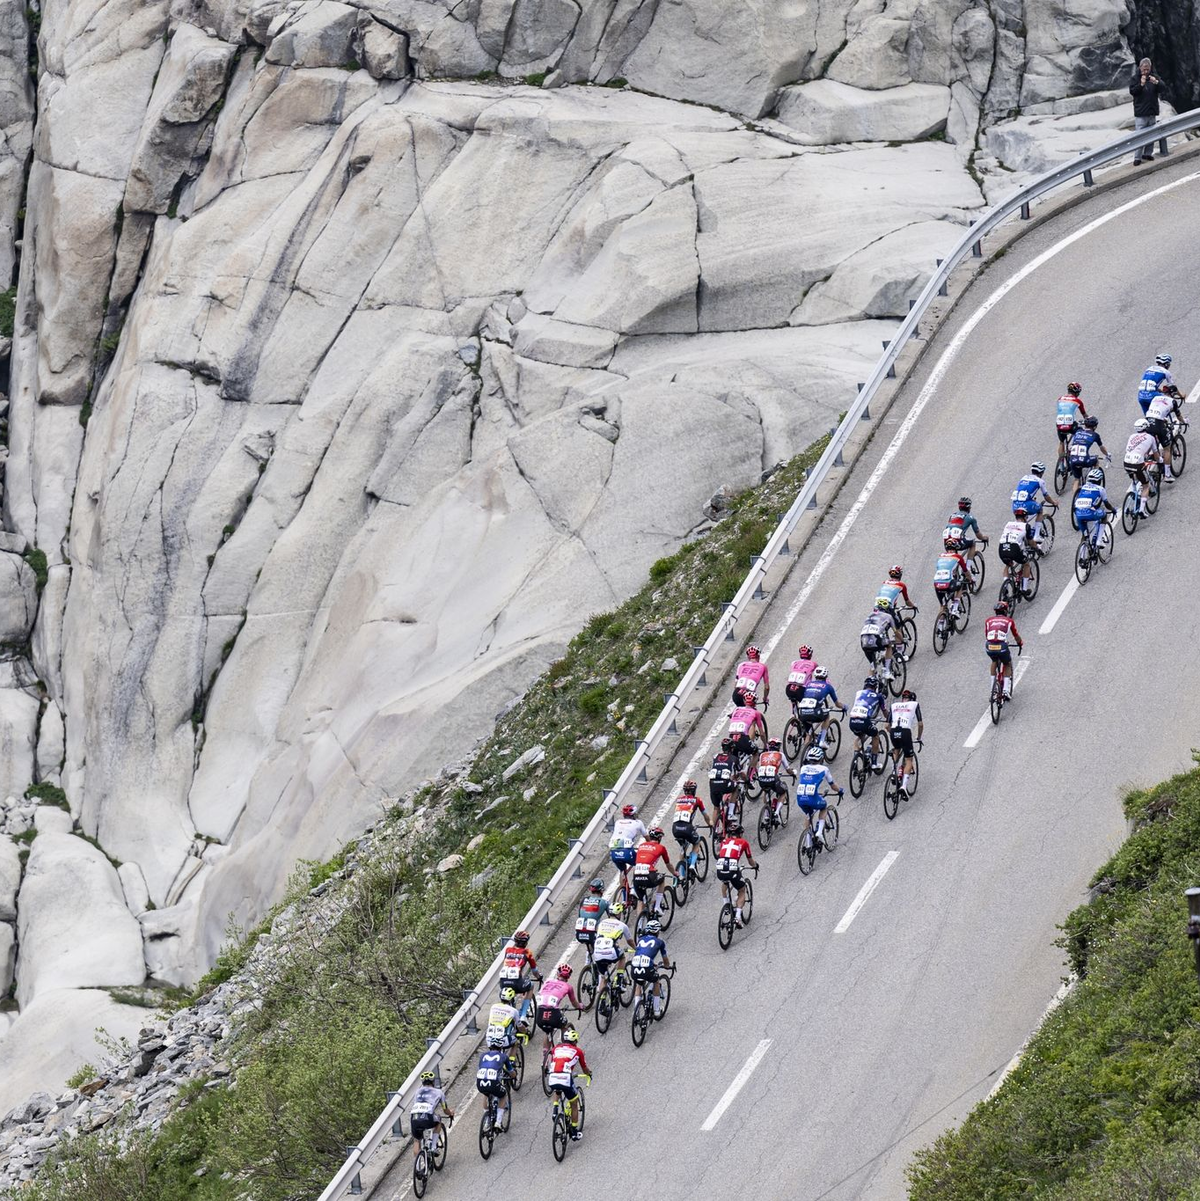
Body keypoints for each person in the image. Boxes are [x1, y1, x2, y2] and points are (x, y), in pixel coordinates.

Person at [545, 1027, 591, 1140]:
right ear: (574, 1041)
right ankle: (574, 1132)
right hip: (565, 1077)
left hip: (552, 1076)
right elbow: (584, 1068)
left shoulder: (556, 1048)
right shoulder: (578, 1051)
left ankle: (555, 1110)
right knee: (574, 1103)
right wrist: (589, 1074)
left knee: (557, 1089)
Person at [795, 745, 843, 851]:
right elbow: (833, 786)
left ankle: (808, 843)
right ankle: (820, 832)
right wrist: (840, 791)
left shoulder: (803, 768)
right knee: (823, 806)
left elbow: (807, 781)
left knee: (808, 815)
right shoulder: (824, 769)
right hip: (812, 797)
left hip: (800, 798)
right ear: (821, 759)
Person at [715, 821, 758, 928]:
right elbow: (750, 861)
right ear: (740, 833)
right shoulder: (744, 842)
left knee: (725, 882)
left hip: (720, 869)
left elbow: (721, 853)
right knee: (742, 890)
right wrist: (755, 865)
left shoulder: (724, 842)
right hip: (732, 869)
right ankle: (738, 917)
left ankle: (726, 905)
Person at [630, 916, 674, 1018]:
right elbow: (665, 959)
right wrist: (667, 966)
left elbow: (642, 953)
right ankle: (656, 1010)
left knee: (638, 985)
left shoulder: (640, 939)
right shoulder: (660, 942)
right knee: (656, 982)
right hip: (647, 966)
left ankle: (636, 1012)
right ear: (657, 931)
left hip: (635, 964)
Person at [535, 963, 582, 1057]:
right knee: (564, 1025)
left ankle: (545, 1056)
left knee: (548, 1031)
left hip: (540, 1014)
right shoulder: (568, 987)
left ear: (557, 973)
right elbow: (574, 1003)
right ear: (568, 977)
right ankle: (566, 1047)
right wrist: (580, 1006)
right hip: (553, 1013)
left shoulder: (547, 981)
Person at [410, 1070, 455, 1162]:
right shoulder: (439, 1092)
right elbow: (445, 1109)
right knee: (438, 1122)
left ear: (422, 1083)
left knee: (417, 1140)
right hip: (427, 1116)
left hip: (414, 1116)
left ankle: (417, 1165)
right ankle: (433, 1146)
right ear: (433, 1082)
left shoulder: (417, 1092)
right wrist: (450, 1113)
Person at [498, 930, 542, 1022]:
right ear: (526, 943)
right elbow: (534, 970)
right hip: (517, 982)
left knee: (510, 993)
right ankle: (523, 1015)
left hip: (503, 982)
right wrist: (538, 977)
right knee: (530, 986)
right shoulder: (527, 952)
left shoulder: (507, 950)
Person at [797, 666, 845, 748]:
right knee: (827, 716)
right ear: (826, 676)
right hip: (814, 712)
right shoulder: (828, 686)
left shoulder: (809, 684)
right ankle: (822, 740)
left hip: (802, 712)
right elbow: (837, 704)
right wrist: (844, 707)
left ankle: (805, 752)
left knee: (809, 733)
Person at [1124, 417, 1163, 517]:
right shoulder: (1151, 438)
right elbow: (1156, 454)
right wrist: (1160, 460)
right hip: (1138, 463)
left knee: (1135, 478)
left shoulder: (1132, 436)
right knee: (1146, 486)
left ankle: (1133, 494)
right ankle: (1141, 510)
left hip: (1127, 461)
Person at [848, 675, 888, 774]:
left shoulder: (858, 693)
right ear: (876, 687)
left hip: (852, 721)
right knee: (875, 735)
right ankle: (874, 763)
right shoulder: (879, 696)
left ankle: (855, 761)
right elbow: (884, 711)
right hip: (864, 721)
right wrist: (889, 719)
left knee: (858, 739)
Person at [1146, 380, 1185, 481]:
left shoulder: (1155, 397)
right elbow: (1179, 416)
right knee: (1167, 448)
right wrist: (1184, 421)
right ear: (1173, 394)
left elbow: (1157, 410)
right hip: (1158, 423)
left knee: (1150, 443)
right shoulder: (1173, 401)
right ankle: (1167, 475)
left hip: (1148, 421)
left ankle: (1149, 457)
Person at [984, 601, 1024, 698]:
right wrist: (1020, 643)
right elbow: (1016, 635)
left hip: (989, 645)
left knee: (994, 661)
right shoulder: (1009, 621)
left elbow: (987, 635)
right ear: (1005, 611)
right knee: (1007, 664)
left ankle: (993, 689)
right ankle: (1006, 690)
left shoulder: (988, 620)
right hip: (1002, 646)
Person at [632, 827, 673, 918]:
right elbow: (668, 864)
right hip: (649, 876)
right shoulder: (661, 848)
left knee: (641, 900)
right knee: (662, 879)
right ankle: (657, 907)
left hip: (636, 877)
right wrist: (675, 873)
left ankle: (640, 923)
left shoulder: (641, 845)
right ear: (659, 838)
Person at [1011, 462, 1057, 545]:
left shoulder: (1024, 477)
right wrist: (1054, 502)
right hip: (1026, 504)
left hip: (1015, 505)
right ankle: (1036, 536)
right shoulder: (1040, 481)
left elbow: (1024, 490)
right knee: (1040, 510)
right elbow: (1046, 496)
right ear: (1041, 472)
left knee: (1022, 519)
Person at [998, 507, 1039, 598]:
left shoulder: (1008, 524)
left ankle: (1005, 586)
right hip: (1014, 549)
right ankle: (1024, 589)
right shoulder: (1026, 526)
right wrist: (1037, 548)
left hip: (1002, 548)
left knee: (1008, 565)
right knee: (1026, 564)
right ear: (1025, 517)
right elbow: (1030, 542)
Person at [889, 689, 923, 796]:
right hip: (905, 732)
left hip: (893, 731)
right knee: (909, 760)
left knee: (896, 750)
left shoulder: (894, 705)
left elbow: (886, 725)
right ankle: (903, 787)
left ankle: (894, 772)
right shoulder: (914, 704)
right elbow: (920, 724)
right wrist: (919, 738)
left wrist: (895, 735)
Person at [1130, 59, 1165, 164]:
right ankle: (1137, 158)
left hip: (1152, 111)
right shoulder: (1135, 78)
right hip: (1141, 113)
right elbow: (1132, 91)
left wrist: (1156, 82)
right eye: (1144, 69)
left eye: (1147, 69)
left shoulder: (1153, 77)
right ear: (1140, 68)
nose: (1145, 71)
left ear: (1150, 68)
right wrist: (1141, 84)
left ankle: (1148, 154)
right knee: (1139, 136)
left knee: (1151, 134)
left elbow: (1163, 88)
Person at [755, 736, 796, 826]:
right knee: (783, 792)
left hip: (762, 779)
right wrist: (793, 774)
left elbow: (762, 767)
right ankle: (776, 813)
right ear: (778, 746)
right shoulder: (780, 755)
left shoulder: (762, 755)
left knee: (766, 792)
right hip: (773, 778)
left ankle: (766, 815)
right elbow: (788, 770)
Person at [1073, 467, 1117, 550]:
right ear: (1099, 480)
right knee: (1104, 516)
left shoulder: (1083, 487)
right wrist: (1113, 510)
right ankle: (1099, 541)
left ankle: (1082, 554)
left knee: (1085, 536)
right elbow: (1107, 504)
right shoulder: (1101, 489)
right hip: (1090, 513)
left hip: (1078, 513)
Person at [671, 780, 708, 875]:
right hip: (687, 828)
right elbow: (705, 816)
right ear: (694, 790)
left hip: (675, 828)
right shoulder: (697, 800)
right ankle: (692, 865)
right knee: (697, 842)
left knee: (682, 849)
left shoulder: (678, 800)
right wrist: (710, 823)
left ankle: (682, 876)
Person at [944, 499, 989, 579]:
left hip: (947, 541)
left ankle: (954, 571)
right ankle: (967, 568)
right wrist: (984, 538)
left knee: (954, 552)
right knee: (973, 543)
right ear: (969, 508)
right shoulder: (971, 518)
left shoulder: (952, 515)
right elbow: (978, 535)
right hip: (958, 540)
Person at [1066, 416, 1110, 495]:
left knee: (1077, 479)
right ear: (1095, 427)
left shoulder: (1078, 431)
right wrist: (1107, 454)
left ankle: (1075, 498)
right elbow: (1101, 447)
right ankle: (1094, 480)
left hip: (1073, 460)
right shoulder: (1095, 435)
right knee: (1096, 460)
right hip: (1084, 460)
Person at [485, 986, 522, 1078]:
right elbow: (520, 1026)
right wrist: (526, 1032)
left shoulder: (493, 1007)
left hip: (489, 1039)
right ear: (511, 999)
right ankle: (511, 1062)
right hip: (503, 1039)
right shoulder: (513, 1011)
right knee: (516, 1043)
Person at [860, 599, 901, 683]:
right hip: (875, 637)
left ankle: (869, 685)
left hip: (863, 640)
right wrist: (902, 640)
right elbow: (896, 632)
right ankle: (887, 671)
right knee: (889, 646)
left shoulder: (869, 615)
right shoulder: (888, 616)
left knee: (873, 665)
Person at [592, 901, 632, 985]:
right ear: (618, 914)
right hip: (610, 951)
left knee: (604, 978)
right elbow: (630, 941)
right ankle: (619, 978)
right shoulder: (622, 925)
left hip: (597, 952)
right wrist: (637, 948)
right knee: (622, 957)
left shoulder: (602, 922)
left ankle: (602, 993)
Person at [727, 694, 766, 778]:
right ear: (755, 703)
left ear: (744, 701)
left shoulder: (736, 709)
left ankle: (734, 778)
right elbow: (762, 734)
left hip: (731, 737)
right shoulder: (756, 713)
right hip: (742, 738)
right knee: (755, 753)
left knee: (735, 761)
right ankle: (749, 776)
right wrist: (765, 745)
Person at [476, 1042, 513, 1129]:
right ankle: (498, 1122)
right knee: (503, 1096)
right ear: (501, 1047)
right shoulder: (504, 1056)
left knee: (486, 1094)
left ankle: (487, 1120)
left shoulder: (482, 1055)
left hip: (480, 1082)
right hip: (493, 1082)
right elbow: (511, 1072)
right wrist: (513, 1075)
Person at [933, 537, 970, 620]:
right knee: (960, 586)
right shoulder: (958, 557)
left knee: (943, 606)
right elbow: (965, 571)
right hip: (948, 584)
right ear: (956, 548)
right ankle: (955, 609)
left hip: (937, 584)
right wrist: (970, 579)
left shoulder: (940, 556)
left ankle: (940, 625)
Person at [609, 803, 646, 876]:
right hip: (627, 851)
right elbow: (647, 837)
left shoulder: (617, 822)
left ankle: (622, 882)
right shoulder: (638, 823)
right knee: (640, 864)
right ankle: (637, 881)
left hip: (614, 851)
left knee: (622, 871)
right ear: (634, 814)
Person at [574, 878, 608, 951]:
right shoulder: (604, 902)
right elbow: (612, 917)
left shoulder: (584, 900)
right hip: (592, 933)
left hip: (579, 933)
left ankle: (589, 953)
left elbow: (580, 916)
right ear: (601, 890)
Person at [1055, 382, 1088, 447]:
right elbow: (1084, 415)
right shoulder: (1077, 401)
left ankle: (1061, 452)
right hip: (1070, 424)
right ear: (1076, 392)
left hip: (1059, 423)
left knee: (1061, 442)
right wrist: (1089, 420)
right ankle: (1074, 447)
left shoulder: (1060, 399)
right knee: (1081, 433)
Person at [708, 740, 738, 810]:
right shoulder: (733, 758)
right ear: (732, 749)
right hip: (724, 784)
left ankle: (716, 817)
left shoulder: (715, 756)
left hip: (712, 784)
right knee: (736, 788)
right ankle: (730, 812)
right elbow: (740, 773)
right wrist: (747, 781)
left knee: (716, 808)